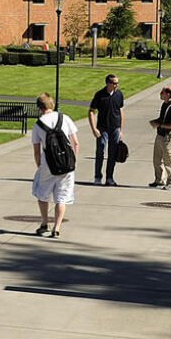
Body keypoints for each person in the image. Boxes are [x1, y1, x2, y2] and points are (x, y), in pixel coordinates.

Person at [31, 93, 79, 238]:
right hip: (67, 163)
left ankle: (45, 222)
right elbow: (75, 142)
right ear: (51, 104)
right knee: (61, 198)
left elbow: (36, 150)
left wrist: (39, 165)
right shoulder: (65, 118)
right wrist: (72, 161)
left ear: (39, 107)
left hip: (48, 163)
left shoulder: (38, 125)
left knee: (42, 193)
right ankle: (56, 228)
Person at [88, 73, 124, 186]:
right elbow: (91, 111)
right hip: (102, 128)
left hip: (115, 127)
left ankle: (109, 178)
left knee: (112, 153)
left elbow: (121, 111)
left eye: (117, 83)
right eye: (114, 83)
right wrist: (94, 129)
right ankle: (98, 177)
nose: (116, 85)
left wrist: (121, 130)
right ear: (108, 83)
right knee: (100, 151)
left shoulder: (119, 94)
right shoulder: (99, 95)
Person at [149, 86, 171, 189]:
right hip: (160, 135)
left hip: (168, 138)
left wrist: (159, 125)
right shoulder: (165, 104)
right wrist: (155, 121)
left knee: (169, 161)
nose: (160, 94)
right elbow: (162, 119)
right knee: (157, 159)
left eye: (162, 92)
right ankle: (159, 180)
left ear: (168, 94)